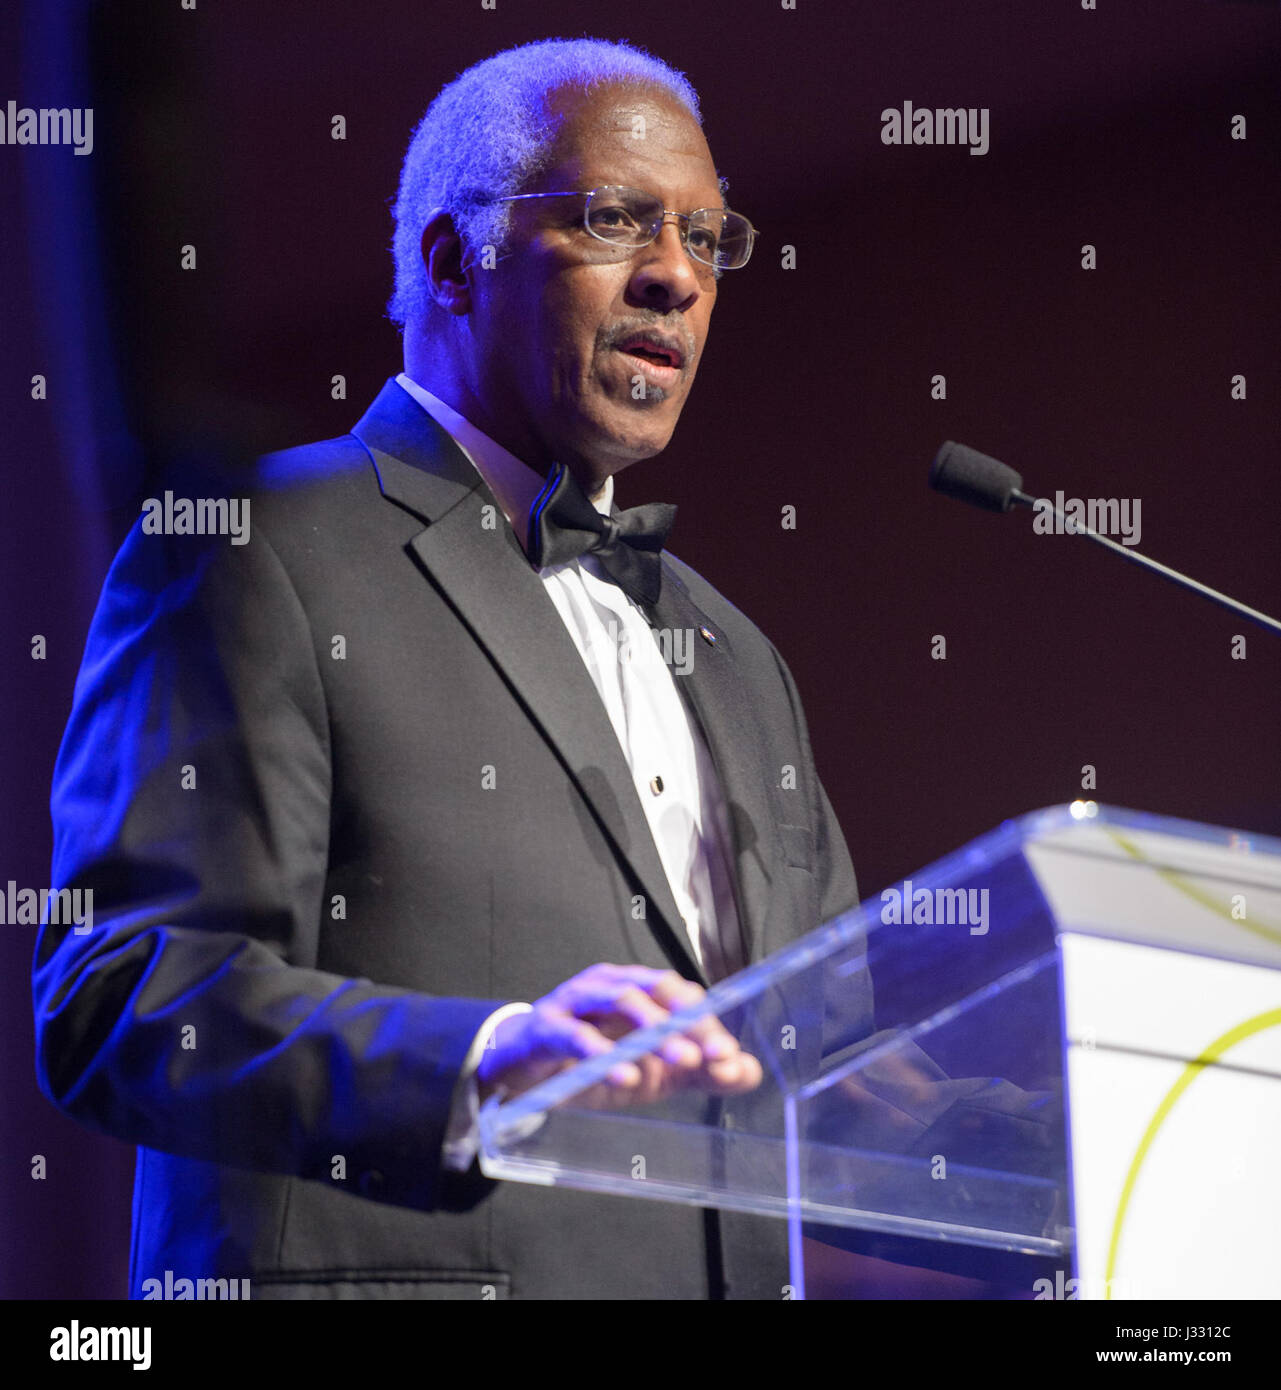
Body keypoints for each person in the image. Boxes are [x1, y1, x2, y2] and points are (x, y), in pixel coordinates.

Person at [33, 37, 868, 1300]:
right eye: (614, 218)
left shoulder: (743, 660)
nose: (676, 278)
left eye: (707, 237)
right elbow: (124, 996)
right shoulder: (256, 545)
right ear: (451, 259)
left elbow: (840, 1067)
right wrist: (479, 1062)